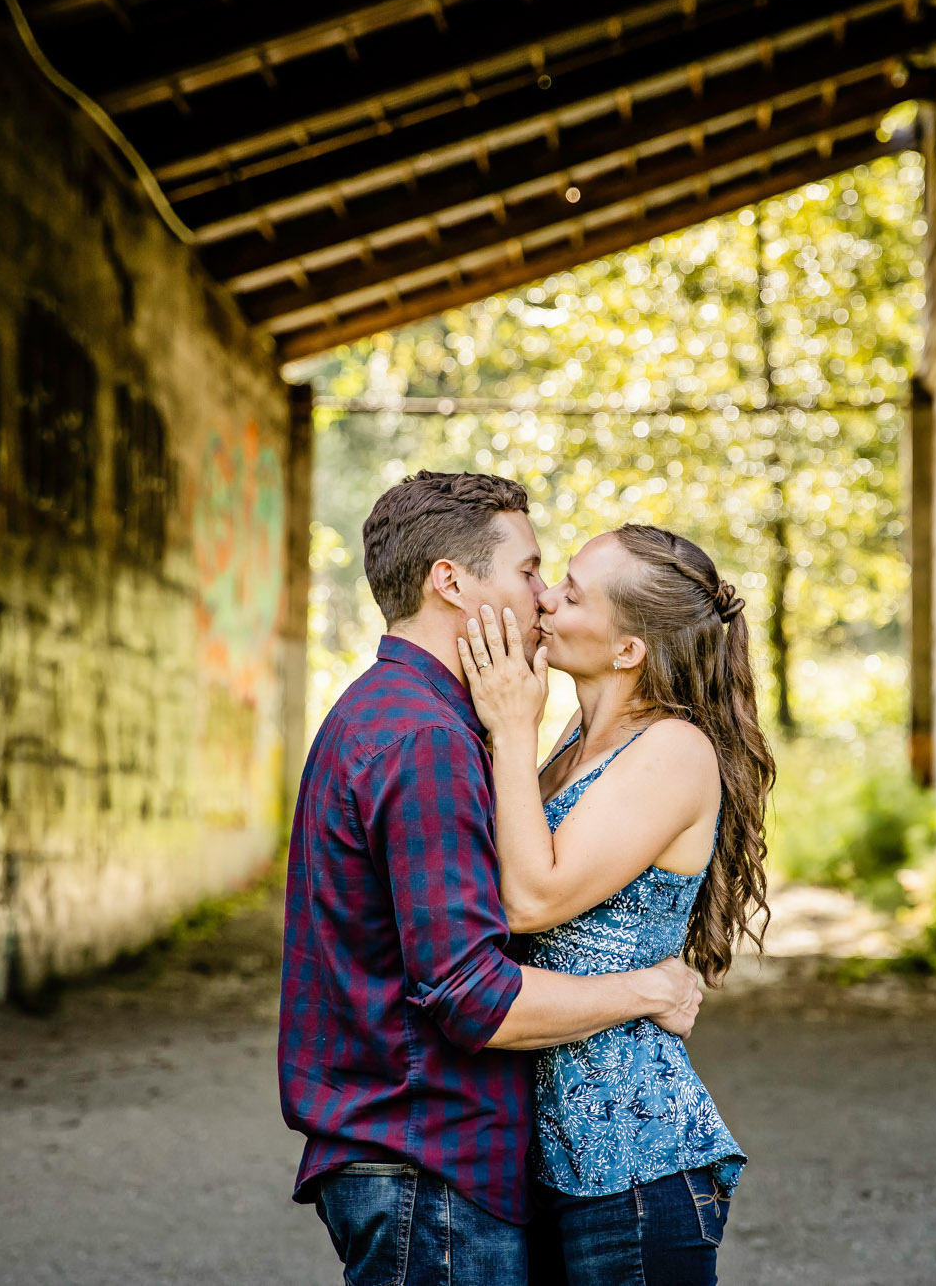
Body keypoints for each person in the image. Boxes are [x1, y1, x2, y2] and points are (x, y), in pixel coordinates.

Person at [279, 473, 705, 1286]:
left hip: (412, 1156)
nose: (542, 597)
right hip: (425, 1156)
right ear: (451, 580)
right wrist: (650, 989)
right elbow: (473, 994)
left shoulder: (395, 712)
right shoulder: (425, 736)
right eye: (529, 570)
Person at [458, 523, 775, 1286]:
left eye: (570, 591)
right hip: (545, 1159)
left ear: (628, 649)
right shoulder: (576, 737)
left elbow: (529, 897)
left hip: (632, 1166)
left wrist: (507, 727)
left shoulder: (673, 750)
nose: (544, 598)